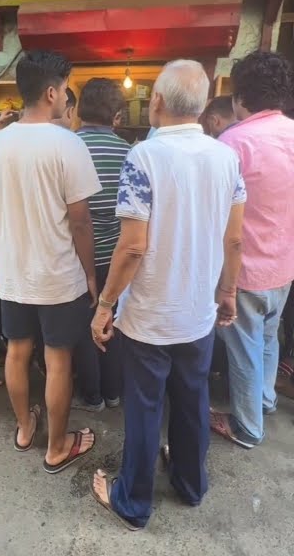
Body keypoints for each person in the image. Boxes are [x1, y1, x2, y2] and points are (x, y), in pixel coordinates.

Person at [90, 59, 246, 530]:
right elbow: (235, 239)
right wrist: (228, 292)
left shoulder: (144, 157)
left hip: (150, 315)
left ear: (156, 101)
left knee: (144, 408)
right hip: (197, 311)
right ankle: (190, 484)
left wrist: (104, 304)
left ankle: (133, 502)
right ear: (200, 106)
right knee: (193, 399)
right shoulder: (226, 157)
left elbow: (133, 245)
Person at [0, 50, 101, 471]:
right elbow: (81, 222)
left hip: (14, 271)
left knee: (16, 351)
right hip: (58, 275)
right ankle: (57, 447)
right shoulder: (68, 143)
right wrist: (90, 275)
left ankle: (24, 429)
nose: (66, 97)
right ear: (51, 92)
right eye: (66, 89)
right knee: (57, 359)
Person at [210, 51, 294, 449]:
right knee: (268, 336)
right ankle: (264, 400)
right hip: (284, 264)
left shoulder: (234, 142)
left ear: (239, 96)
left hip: (244, 268)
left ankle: (247, 426)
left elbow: (219, 215)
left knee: (243, 345)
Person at [71, 78, 130, 412]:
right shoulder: (129, 152)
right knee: (114, 322)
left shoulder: (67, 147)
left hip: (78, 256)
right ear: (117, 116)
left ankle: (92, 396)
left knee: (84, 326)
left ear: (80, 110)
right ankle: (113, 391)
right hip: (117, 255)